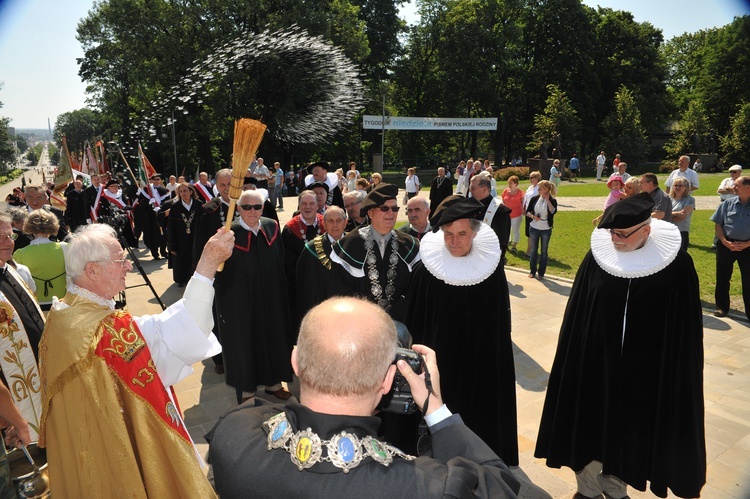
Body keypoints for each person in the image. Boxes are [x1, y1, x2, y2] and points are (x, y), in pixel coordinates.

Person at [207, 296, 521, 498]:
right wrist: (434, 406)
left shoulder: (232, 433)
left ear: (295, 362)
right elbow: (502, 487)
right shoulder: (424, 487)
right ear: (387, 381)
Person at [39, 224, 234, 498]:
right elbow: (176, 333)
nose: (128, 266)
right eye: (119, 260)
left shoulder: (61, 316)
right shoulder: (105, 331)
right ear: (92, 270)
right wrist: (207, 266)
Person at [535, 193, 705, 499]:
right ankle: (586, 489)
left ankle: (616, 489)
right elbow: (579, 311)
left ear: (646, 229)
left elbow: (685, 326)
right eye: (611, 232)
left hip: (646, 367)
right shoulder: (598, 258)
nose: (615, 239)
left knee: (630, 430)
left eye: (622, 234)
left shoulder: (677, 265)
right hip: (596, 361)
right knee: (589, 422)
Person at [405, 195, 517, 465]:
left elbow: (500, 324)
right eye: (448, 234)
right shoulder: (427, 271)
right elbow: (415, 325)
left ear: (475, 233)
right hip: (440, 368)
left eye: (462, 234)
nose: (455, 241)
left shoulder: (491, 271)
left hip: (481, 365)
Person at [214, 190, 294, 403]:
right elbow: (217, 272)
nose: (252, 211)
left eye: (257, 207)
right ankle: (247, 390)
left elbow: (280, 261)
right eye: (246, 207)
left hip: (271, 298)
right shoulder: (228, 234)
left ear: (263, 208)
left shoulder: (271, 227)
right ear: (238, 209)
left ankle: (273, 384)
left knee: (273, 338)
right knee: (245, 343)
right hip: (241, 302)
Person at [330, 183, 419, 321]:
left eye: (395, 208)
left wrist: (396, 313)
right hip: (359, 323)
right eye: (384, 208)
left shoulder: (410, 245)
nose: (391, 213)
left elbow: (415, 288)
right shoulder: (347, 246)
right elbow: (341, 290)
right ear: (370, 212)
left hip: (400, 323)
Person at [0, 213, 45, 442]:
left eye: (10, 235)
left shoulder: (11, 270)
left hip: (38, 378)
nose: (9, 242)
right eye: (1, 237)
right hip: (10, 398)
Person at [295, 205, 347, 323]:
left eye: (339, 221)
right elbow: (306, 289)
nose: (335, 225)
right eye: (330, 221)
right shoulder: (311, 249)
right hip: (321, 314)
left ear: (345, 223)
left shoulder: (355, 245)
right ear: (324, 224)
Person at [283, 190, 325, 331]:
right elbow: (288, 263)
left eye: (312, 203)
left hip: (324, 285)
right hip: (300, 285)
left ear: (317, 205)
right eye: (304, 204)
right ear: (299, 206)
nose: (308, 207)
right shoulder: (290, 229)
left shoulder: (327, 224)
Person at [711, 175, 750, 321]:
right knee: (722, 277)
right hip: (726, 245)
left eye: (736, 185)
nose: (733, 188)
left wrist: (747, 244)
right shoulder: (727, 203)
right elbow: (718, 224)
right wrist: (724, 241)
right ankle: (722, 307)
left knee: (748, 281)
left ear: (748, 188)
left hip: (748, 247)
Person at [14, 209, 68, 310]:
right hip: (60, 303)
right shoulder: (65, 247)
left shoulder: (20, 253)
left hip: (35, 305)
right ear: (53, 226)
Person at [168, 182, 203, 287]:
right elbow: (170, 227)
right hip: (180, 239)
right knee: (181, 260)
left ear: (191, 191)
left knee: (195, 259)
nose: (183, 193)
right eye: (181, 191)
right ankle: (182, 279)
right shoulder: (175, 207)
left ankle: (195, 279)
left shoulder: (199, 205)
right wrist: (172, 245)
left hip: (195, 238)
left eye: (185, 191)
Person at [469, 173, 512, 260]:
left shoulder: (500, 212)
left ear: (484, 189)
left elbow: (502, 243)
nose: (470, 191)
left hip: (490, 260)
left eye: (473, 188)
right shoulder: (469, 208)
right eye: (470, 188)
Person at [525, 180, 557, 279]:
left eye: (540, 188)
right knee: (534, 250)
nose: (538, 190)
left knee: (544, 252)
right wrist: (533, 216)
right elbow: (527, 212)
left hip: (546, 229)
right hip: (534, 227)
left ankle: (541, 273)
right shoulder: (534, 198)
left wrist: (547, 200)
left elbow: (553, 211)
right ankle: (532, 271)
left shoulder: (552, 200)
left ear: (546, 189)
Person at [98, 179, 138, 247]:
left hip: (122, 218)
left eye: (116, 186)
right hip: (112, 220)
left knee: (126, 235)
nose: (115, 188)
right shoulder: (104, 196)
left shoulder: (120, 194)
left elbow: (125, 204)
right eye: (112, 186)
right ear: (108, 187)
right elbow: (103, 209)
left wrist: (128, 208)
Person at [669, 177, 695, 251]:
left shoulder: (690, 200)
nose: (677, 187)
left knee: (680, 258)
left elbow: (682, 216)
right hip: (667, 231)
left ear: (686, 187)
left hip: (681, 232)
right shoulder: (668, 199)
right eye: (675, 185)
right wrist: (677, 213)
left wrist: (668, 215)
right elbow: (661, 214)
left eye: (680, 185)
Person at [502, 175, 524, 252]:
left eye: (511, 183)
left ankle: (514, 246)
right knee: (507, 229)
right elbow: (503, 202)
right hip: (507, 215)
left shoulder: (520, 192)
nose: (509, 185)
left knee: (515, 230)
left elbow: (523, 203)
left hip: (517, 215)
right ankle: (507, 243)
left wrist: (523, 211)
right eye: (509, 183)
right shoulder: (505, 191)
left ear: (516, 184)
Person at [523, 171, 542, 255]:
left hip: (534, 213)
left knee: (533, 232)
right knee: (529, 232)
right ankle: (530, 250)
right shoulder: (530, 187)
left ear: (537, 178)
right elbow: (526, 199)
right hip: (528, 212)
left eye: (532, 178)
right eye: (529, 177)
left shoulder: (539, 188)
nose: (530, 179)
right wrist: (524, 208)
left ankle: (530, 251)